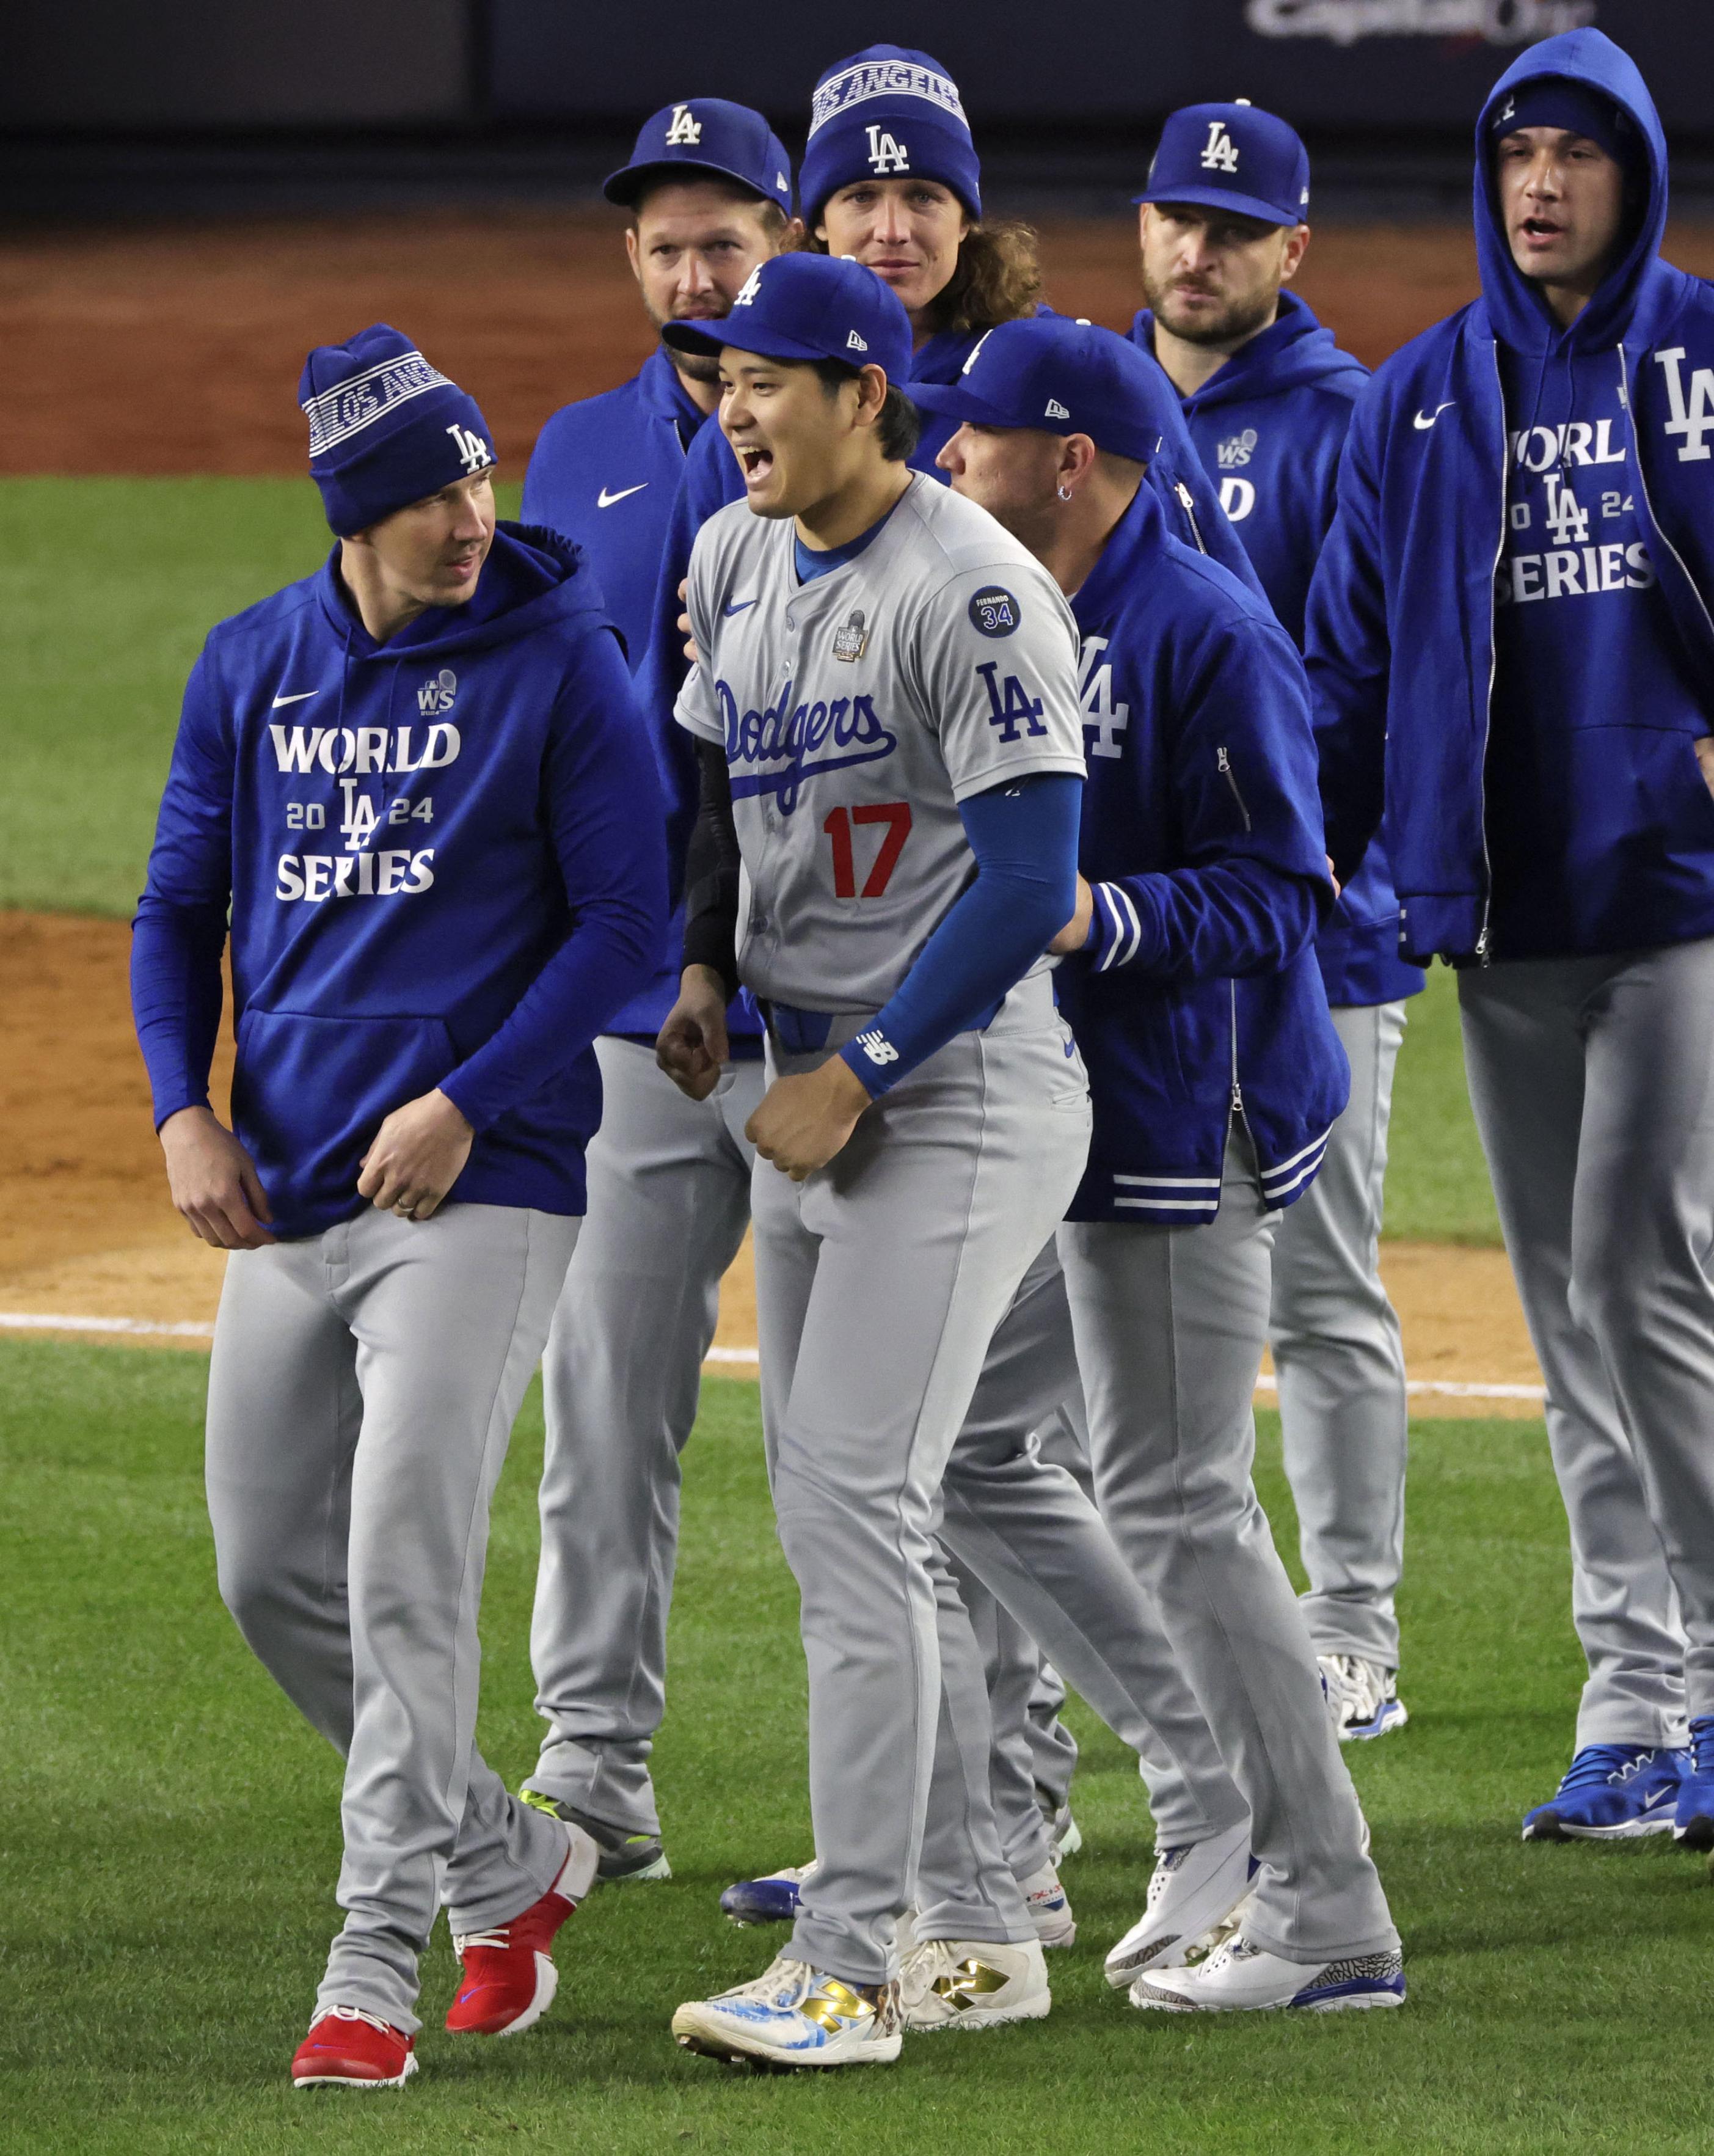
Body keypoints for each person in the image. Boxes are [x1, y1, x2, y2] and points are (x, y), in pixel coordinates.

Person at [129, 324, 666, 2088]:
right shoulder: (256, 666)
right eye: (432, 489)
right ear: (355, 511)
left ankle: (373, 1961)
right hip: (282, 1186)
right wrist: (182, 1111)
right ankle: (514, 1861)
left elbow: (623, 931)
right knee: (268, 1566)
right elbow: (177, 905)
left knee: (402, 1561)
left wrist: (463, 1101)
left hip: (483, 1186)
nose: (468, 511)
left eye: (478, 473)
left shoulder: (561, 661)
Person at [918, 313, 1406, 2012]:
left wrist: (1101, 915)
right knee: (978, 1439)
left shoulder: (1201, 628)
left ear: (1073, 462)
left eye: (971, 437)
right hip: (1075, 1113)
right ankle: (1209, 1796)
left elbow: (1285, 888)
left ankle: (1326, 1904)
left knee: (1185, 1498)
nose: (944, 457)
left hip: (1189, 1114)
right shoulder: (1011, 609)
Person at [652, 252, 1093, 2068]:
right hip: (802, 1088)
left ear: (864, 394)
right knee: (853, 1512)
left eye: (768, 378)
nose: (733, 407)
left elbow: (1028, 874)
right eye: (719, 376)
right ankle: (976, 1921)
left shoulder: (969, 592)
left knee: (856, 1499)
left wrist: (875, 1065)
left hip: (963, 1088)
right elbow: (712, 791)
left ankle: (846, 1962)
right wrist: (697, 964)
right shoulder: (734, 555)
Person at [1309, 27, 1714, 1846]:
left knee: (1643, 1278)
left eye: (1578, 154)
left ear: (1634, 173)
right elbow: (1342, 662)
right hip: (1505, 914)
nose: (1541, 185)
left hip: (1680, 907)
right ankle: (1632, 1705)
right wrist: (1302, 857)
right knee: (1575, 1317)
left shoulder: (1704, 353)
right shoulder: (1418, 399)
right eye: (1517, 154)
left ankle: (1709, 1670)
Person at [517, 98, 797, 1888]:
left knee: (875, 1438)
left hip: (830, 1009)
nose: (699, 274)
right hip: (636, 1019)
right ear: (633, 261)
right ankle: (594, 1768)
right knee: (607, 1404)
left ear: (785, 244)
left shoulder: (865, 428)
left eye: (729, 241)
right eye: (669, 244)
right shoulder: (567, 456)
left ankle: (956, 1803)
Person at [1131, 100, 1424, 1742]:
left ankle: (1354, 1629)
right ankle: (1189, 1636)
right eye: (1179, 217)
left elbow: (1356, 683)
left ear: (1293, 250)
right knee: (1131, 1287)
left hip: (1319, 929)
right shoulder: (1078, 405)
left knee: (1321, 1286)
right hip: (1144, 935)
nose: (1200, 248)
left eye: (1236, 229)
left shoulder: (1347, 422)